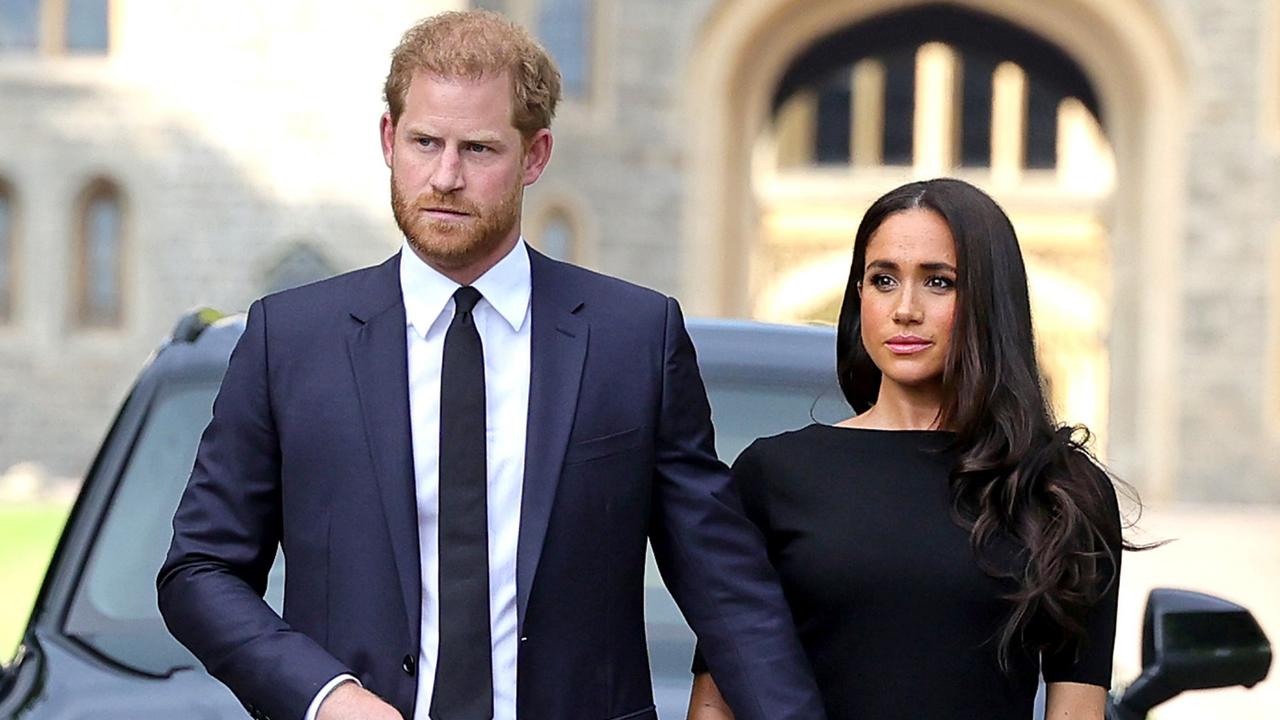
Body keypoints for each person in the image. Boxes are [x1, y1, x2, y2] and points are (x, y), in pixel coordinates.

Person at [157, 11, 825, 720]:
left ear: (535, 156)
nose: (445, 177)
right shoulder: (288, 340)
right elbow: (201, 570)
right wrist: (326, 697)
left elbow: (727, 589)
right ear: (389, 139)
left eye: (478, 149)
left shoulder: (635, 340)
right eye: (424, 143)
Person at [687, 178, 1126, 720]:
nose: (905, 309)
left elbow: (1077, 707)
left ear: (990, 300)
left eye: (939, 282)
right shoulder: (772, 475)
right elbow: (717, 700)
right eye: (883, 279)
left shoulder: (1060, 490)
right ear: (860, 295)